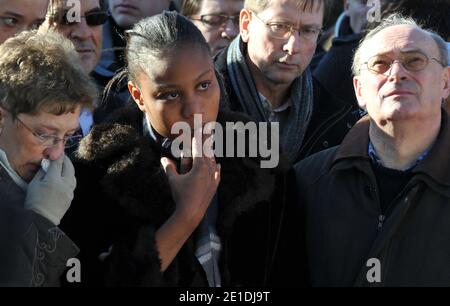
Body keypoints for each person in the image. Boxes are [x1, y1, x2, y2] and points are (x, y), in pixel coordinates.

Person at [61, 11, 294, 287]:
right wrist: (185, 216)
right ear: (138, 96)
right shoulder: (96, 171)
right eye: (171, 94)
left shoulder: (259, 155)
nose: (194, 109)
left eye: (204, 85)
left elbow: (289, 270)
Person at [294, 14, 450, 286]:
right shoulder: (307, 183)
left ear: (445, 82)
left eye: (415, 61)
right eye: (381, 64)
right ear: (359, 90)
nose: (398, 73)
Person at [0, 30, 97, 286]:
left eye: (68, 137)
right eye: (43, 134)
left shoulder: (65, 186)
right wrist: (40, 220)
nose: (55, 154)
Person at [215, 0, 360, 165]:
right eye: (279, 26)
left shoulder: (335, 118)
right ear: (246, 24)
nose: (293, 47)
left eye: (308, 31)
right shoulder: (201, 103)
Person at [39, 0, 108, 136]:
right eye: (67, 18)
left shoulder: (124, 108)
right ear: (34, 25)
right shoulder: (11, 109)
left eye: (94, 17)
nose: (84, 33)